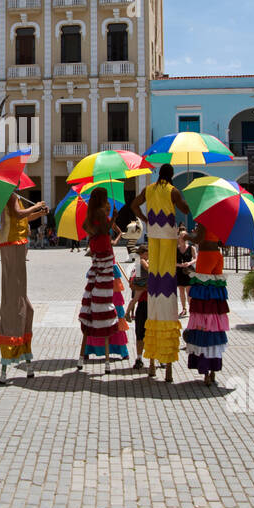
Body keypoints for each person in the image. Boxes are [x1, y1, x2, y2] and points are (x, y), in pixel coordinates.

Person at [130, 162, 189, 382]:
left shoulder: (149, 189)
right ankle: (166, 365)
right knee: (167, 285)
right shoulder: (173, 191)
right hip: (168, 240)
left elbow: (134, 205)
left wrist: (145, 219)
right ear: (171, 175)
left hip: (153, 238)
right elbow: (185, 209)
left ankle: (152, 363)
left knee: (156, 285)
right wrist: (184, 197)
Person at [0, 188, 48, 382]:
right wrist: (35, 205)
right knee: (15, 302)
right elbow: (19, 214)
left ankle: (25, 356)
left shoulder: (15, 196)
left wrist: (38, 213)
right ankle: (10, 356)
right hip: (12, 244)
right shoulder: (9, 195)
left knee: (27, 307)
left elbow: (23, 218)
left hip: (17, 243)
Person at [77, 186, 128, 373]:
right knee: (106, 299)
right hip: (106, 254)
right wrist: (113, 217)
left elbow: (87, 229)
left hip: (96, 255)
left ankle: (83, 354)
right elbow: (106, 229)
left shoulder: (91, 212)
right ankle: (108, 355)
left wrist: (97, 231)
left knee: (93, 293)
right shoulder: (99, 212)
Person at [184, 223, 230, 385]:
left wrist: (186, 236)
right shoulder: (220, 221)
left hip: (206, 255)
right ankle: (212, 369)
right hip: (217, 255)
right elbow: (224, 242)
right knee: (214, 293)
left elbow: (198, 238)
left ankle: (205, 370)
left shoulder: (205, 219)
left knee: (203, 294)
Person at [127, 243, 149, 370]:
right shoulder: (141, 262)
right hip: (145, 301)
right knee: (141, 333)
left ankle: (141, 358)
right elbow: (134, 285)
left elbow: (134, 285)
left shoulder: (137, 264)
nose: (148, 255)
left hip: (145, 300)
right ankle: (140, 358)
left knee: (142, 333)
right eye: (147, 253)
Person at [175, 226, 196, 318]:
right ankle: (184, 308)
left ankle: (192, 308)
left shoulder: (191, 248)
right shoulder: (176, 249)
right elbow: (172, 261)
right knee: (181, 291)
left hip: (188, 271)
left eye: (184, 237)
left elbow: (196, 259)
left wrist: (189, 263)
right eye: (181, 237)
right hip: (179, 271)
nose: (183, 239)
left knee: (189, 291)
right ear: (179, 238)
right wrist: (179, 265)